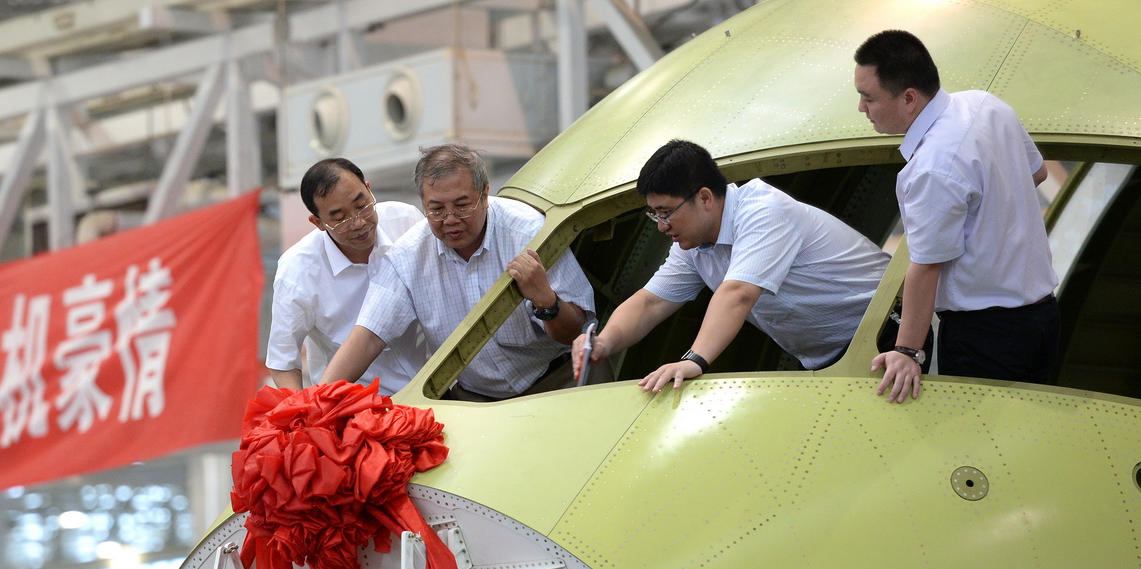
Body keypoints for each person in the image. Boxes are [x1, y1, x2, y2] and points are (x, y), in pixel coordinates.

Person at [572, 139, 892, 392]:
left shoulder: (763, 212)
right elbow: (651, 302)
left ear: (705, 198)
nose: (660, 225)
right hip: (828, 356)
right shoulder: (693, 244)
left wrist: (694, 361)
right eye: (653, 214)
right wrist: (603, 342)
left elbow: (737, 293)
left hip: (886, 332)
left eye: (666, 212)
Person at [854, 29, 1060, 403]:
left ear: (909, 99)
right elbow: (1037, 172)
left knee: (981, 450)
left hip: (987, 335)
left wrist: (907, 353)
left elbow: (927, 265)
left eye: (869, 98)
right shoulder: (986, 105)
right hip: (1043, 317)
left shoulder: (933, 165)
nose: (862, 108)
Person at [321, 143, 596, 400]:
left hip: (560, 383)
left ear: (485, 195)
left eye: (462, 205)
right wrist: (314, 402)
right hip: (476, 402)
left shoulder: (527, 233)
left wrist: (547, 302)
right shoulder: (406, 258)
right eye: (437, 209)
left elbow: (577, 331)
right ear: (423, 205)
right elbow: (368, 337)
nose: (450, 220)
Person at [266, 158, 427, 393]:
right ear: (318, 223)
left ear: (369, 189)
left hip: (437, 387)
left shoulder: (407, 222)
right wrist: (301, 417)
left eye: (362, 205)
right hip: (358, 408)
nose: (359, 222)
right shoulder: (298, 271)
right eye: (340, 218)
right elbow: (283, 362)